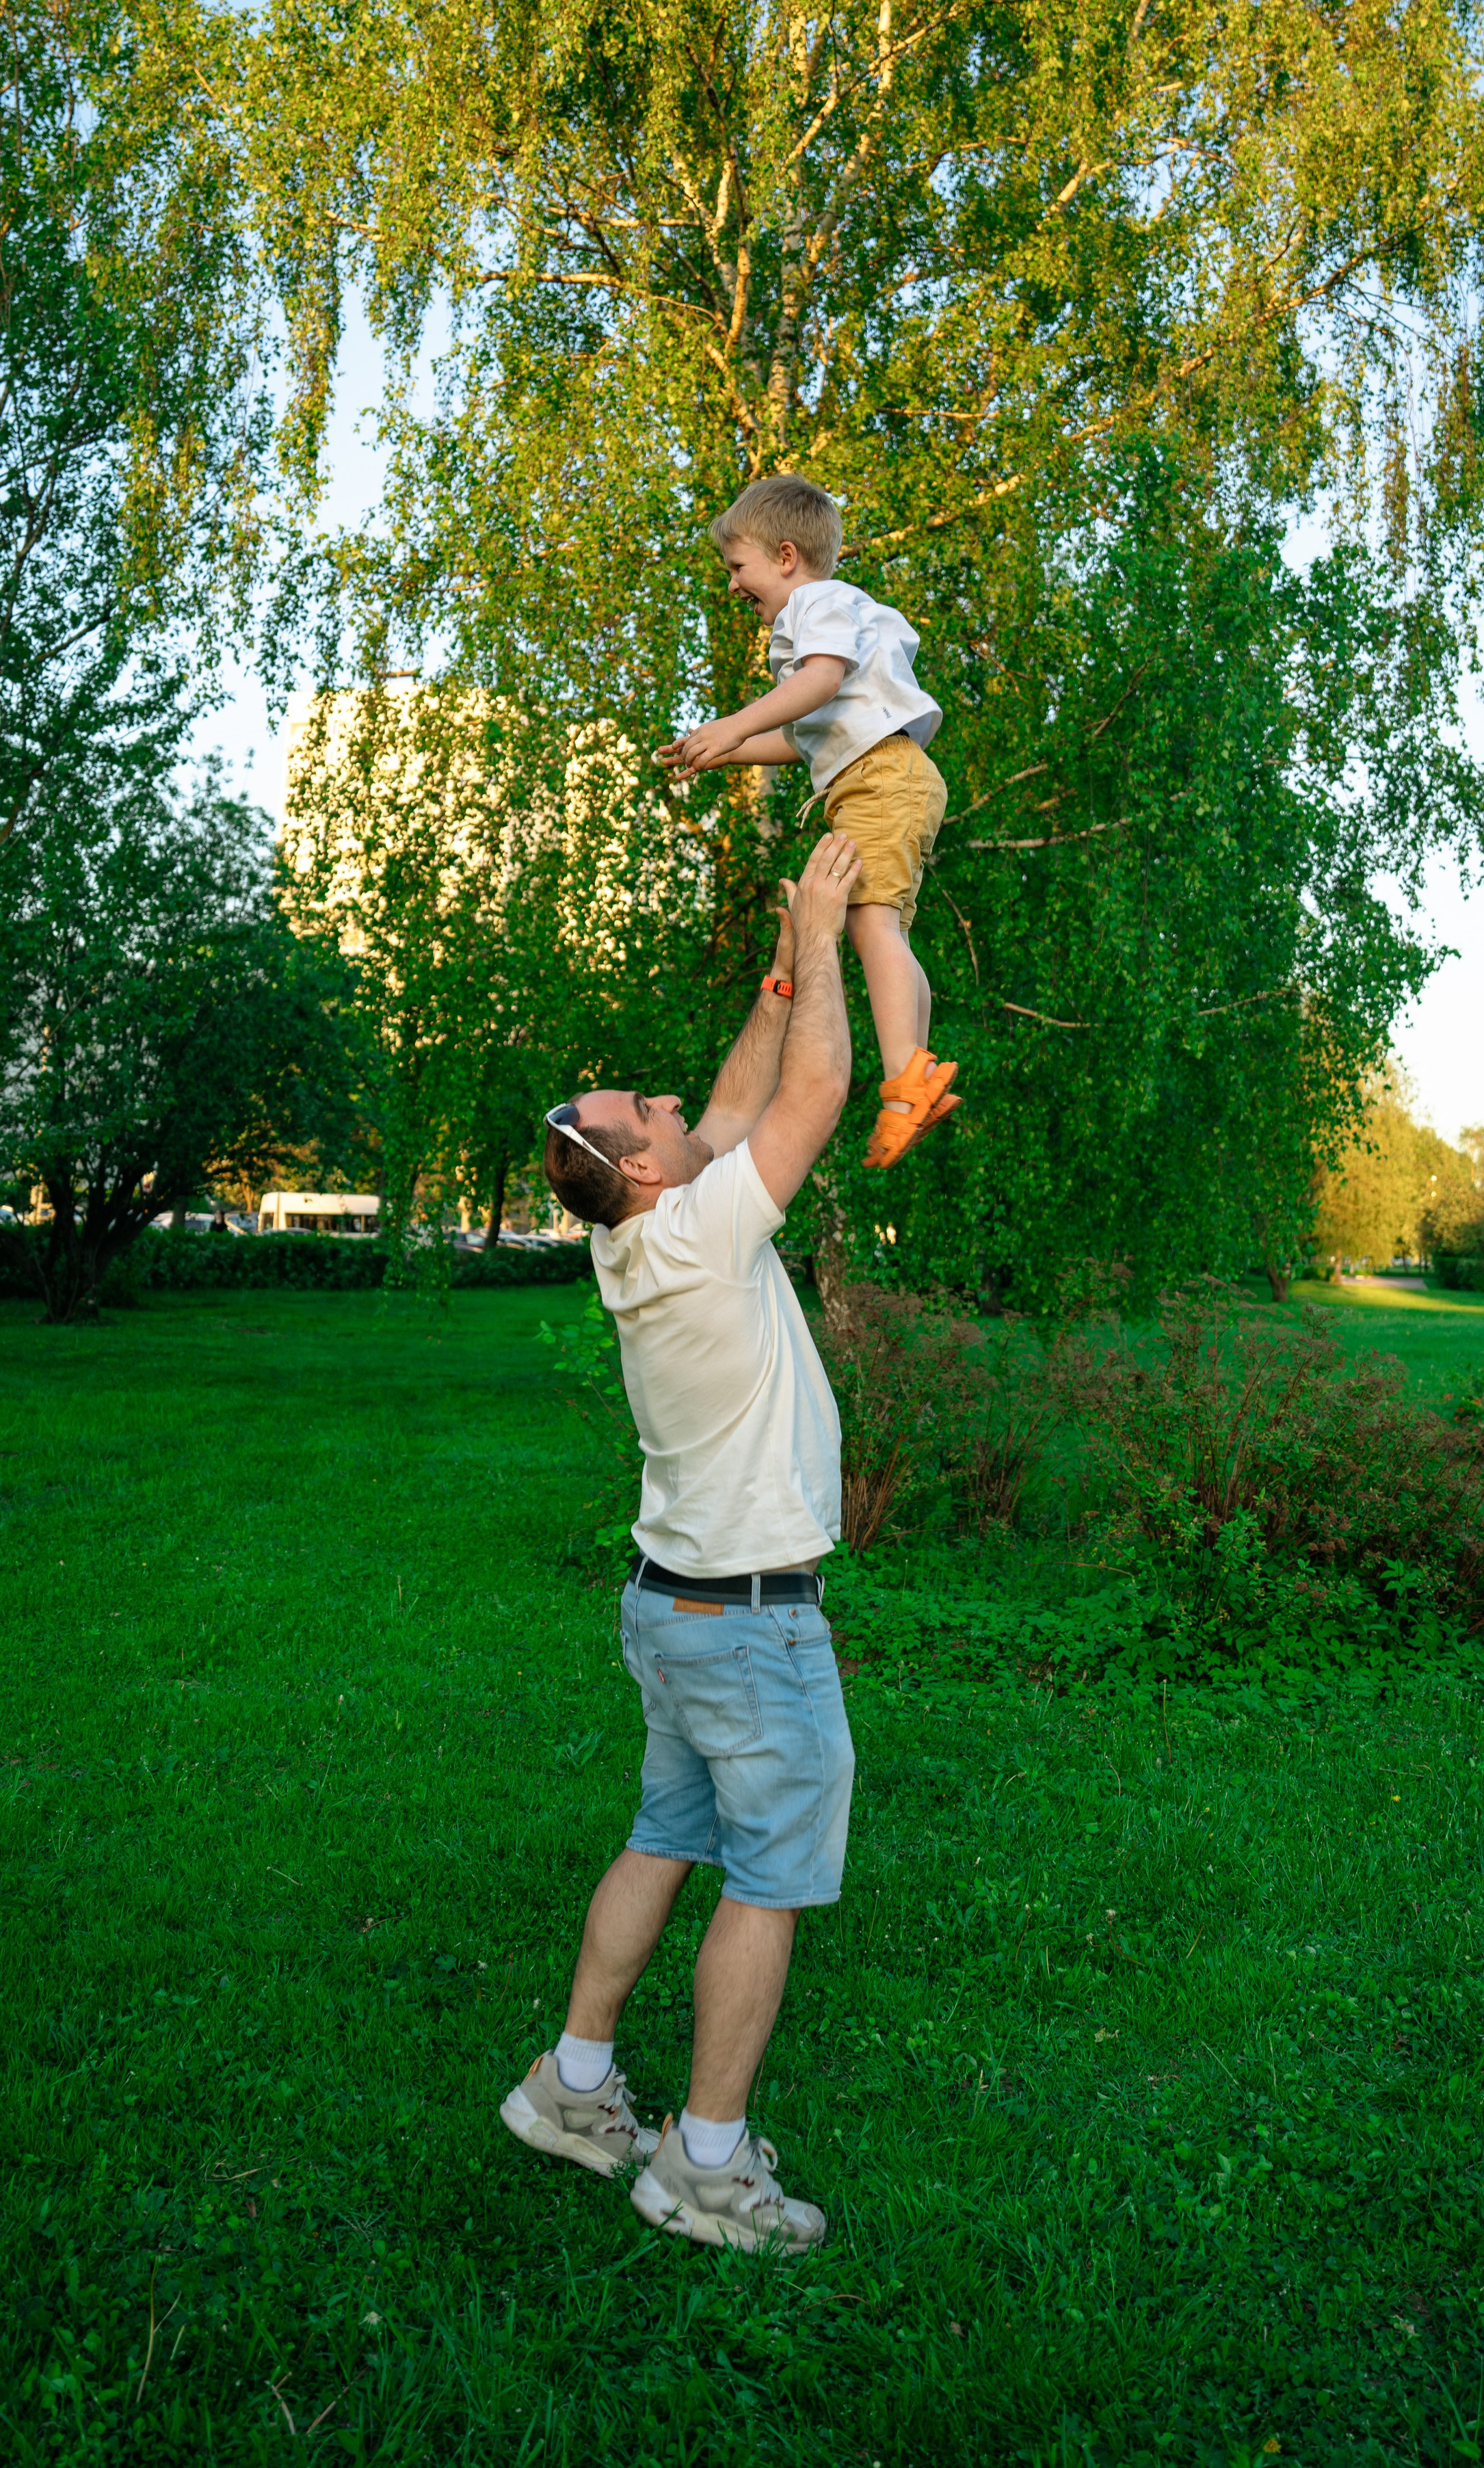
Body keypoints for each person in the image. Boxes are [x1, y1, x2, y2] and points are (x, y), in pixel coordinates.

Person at [499, 831, 864, 2254]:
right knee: (763, 1881)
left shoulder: (633, 1231)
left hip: (672, 1609)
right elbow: (813, 1093)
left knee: (664, 1835)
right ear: (643, 1168)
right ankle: (703, 2168)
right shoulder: (703, 1230)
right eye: (646, 1108)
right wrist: (822, 938)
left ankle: (572, 2084)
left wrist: (774, 981)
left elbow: (729, 1104)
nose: (669, 1099)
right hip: (750, 1624)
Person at [655, 470, 960, 1171]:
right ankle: (916, 1070)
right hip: (884, 776)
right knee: (885, 928)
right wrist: (723, 750)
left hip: (879, 777)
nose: (733, 584)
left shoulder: (817, 602)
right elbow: (802, 736)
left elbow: (818, 680)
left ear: (786, 557)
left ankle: (907, 1085)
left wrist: (734, 722)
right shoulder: (831, 615)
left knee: (870, 924)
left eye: (738, 566)